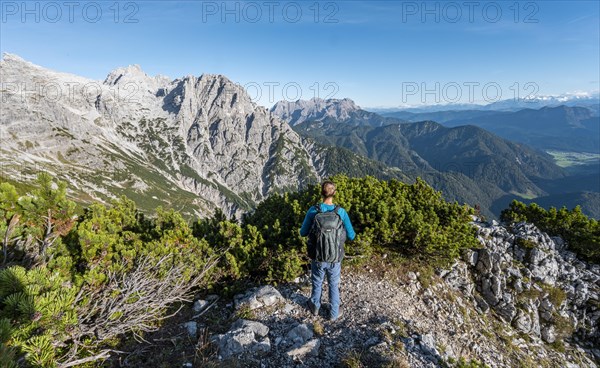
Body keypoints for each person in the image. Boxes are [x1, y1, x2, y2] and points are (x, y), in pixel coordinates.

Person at [300, 180, 355, 321]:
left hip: (317, 256)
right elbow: (351, 235)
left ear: (321, 193)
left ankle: (315, 307)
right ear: (334, 193)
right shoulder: (341, 212)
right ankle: (334, 313)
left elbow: (303, 232)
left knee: (317, 281)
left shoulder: (313, 211)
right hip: (335, 257)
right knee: (333, 284)